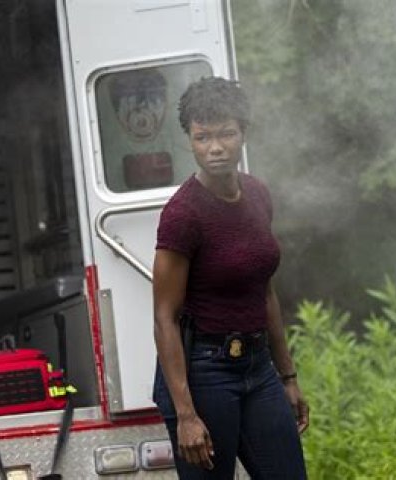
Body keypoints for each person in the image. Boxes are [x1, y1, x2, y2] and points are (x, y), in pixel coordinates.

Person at [152, 76, 309, 479]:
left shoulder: (257, 195)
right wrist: (186, 414)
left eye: (226, 134)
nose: (215, 147)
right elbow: (165, 317)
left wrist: (287, 376)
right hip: (205, 373)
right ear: (190, 140)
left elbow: (265, 292)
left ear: (243, 133)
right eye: (202, 137)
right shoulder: (183, 214)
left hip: (258, 367)